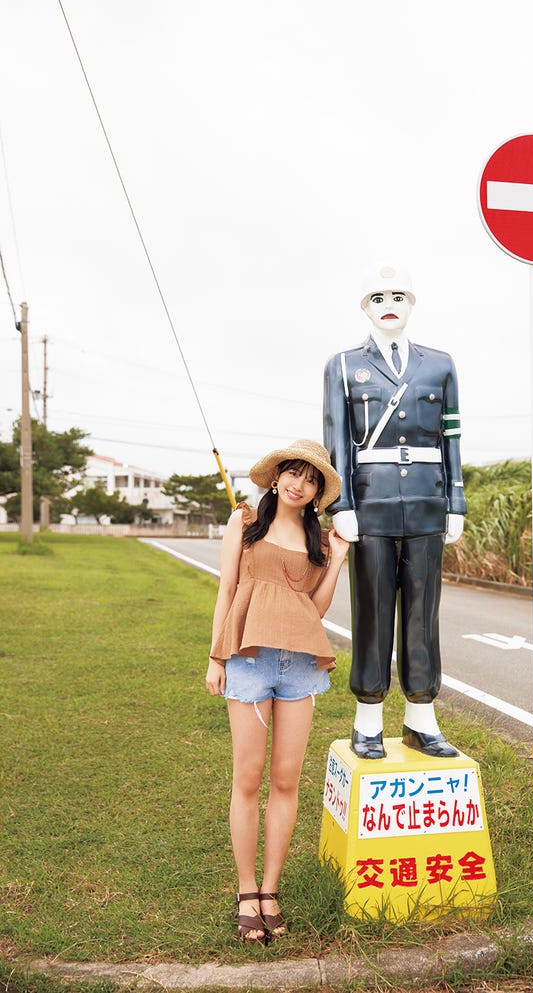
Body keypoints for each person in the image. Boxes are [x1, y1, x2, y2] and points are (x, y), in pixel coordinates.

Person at [205, 439, 348, 943]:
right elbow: (226, 589)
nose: (298, 484)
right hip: (247, 659)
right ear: (275, 477)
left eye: (310, 480)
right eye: (292, 473)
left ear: (316, 492)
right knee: (248, 777)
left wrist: (338, 560)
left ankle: (270, 890)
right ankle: (246, 892)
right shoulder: (244, 522)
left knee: (286, 781)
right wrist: (215, 656)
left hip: (300, 664)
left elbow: (317, 607)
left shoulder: (320, 540)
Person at [323, 264, 466, 760]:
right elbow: (337, 441)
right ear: (365, 306)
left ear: (411, 303)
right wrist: (340, 503)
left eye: (399, 295)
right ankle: (367, 719)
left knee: (424, 614)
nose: (389, 303)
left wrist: (456, 501)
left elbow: (451, 439)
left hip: (427, 502)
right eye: (378, 296)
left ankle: (421, 718)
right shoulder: (342, 366)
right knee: (373, 611)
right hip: (371, 503)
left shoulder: (440, 365)